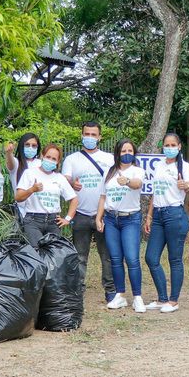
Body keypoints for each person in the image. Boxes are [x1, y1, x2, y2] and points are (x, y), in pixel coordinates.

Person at [63, 122, 118, 307]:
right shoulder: (71, 159)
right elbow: (65, 180)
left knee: (107, 255)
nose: (90, 137)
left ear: (100, 137)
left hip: (103, 214)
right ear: (81, 135)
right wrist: (72, 184)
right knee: (79, 256)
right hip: (80, 214)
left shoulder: (109, 158)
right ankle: (78, 291)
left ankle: (110, 291)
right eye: (87, 133)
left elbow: (116, 181)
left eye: (93, 134)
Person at [144, 133, 189, 313]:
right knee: (151, 257)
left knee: (174, 259)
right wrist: (149, 216)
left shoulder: (185, 166)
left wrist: (185, 186)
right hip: (158, 214)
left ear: (179, 147)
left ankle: (173, 300)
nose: (170, 147)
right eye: (167, 144)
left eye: (173, 145)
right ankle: (161, 298)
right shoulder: (158, 166)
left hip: (174, 214)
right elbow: (154, 193)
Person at [96, 139, 146, 313]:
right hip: (111, 219)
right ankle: (120, 296)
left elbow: (137, 184)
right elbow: (103, 196)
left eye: (130, 150)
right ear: (117, 153)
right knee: (115, 259)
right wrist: (98, 217)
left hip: (130, 219)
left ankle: (138, 297)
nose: (126, 153)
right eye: (123, 150)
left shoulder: (138, 170)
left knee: (132, 259)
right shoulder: (109, 172)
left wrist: (126, 181)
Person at [15, 144, 77, 245]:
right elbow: (18, 197)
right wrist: (32, 189)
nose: (50, 160)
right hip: (33, 220)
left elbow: (74, 199)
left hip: (53, 221)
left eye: (54, 159)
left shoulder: (59, 178)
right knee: (38, 252)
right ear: (42, 156)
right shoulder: (29, 173)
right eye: (48, 157)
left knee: (53, 255)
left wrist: (67, 219)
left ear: (57, 162)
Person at [7, 133, 41, 216]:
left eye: (34, 146)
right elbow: (10, 164)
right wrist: (9, 153)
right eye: (27, 145)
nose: (30, 148)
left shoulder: (40, 163)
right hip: (20, 210)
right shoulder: (17, 163)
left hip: (38, 211)